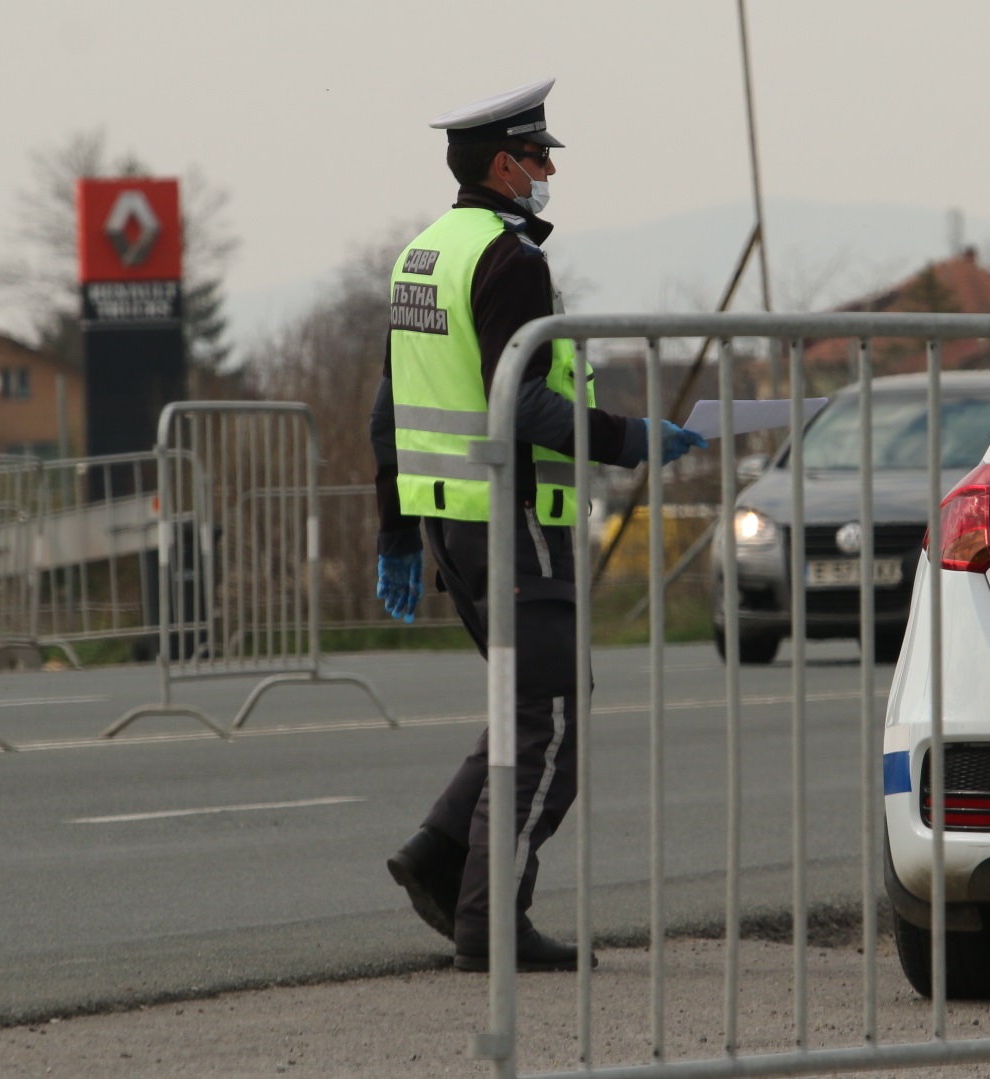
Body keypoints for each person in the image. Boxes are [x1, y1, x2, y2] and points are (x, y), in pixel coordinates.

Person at [369, 77, 704, 973]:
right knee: (551, 724)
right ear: (505, 164)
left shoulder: (423, 254)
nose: (550, 168)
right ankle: (490, 925)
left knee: (528, 711)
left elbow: (388, 405)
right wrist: (636, 439)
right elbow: (523, 409)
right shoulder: (511, 260)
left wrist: (398, 528)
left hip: (454, 526)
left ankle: (441, 857)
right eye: (541, 155)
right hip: (517, 521)